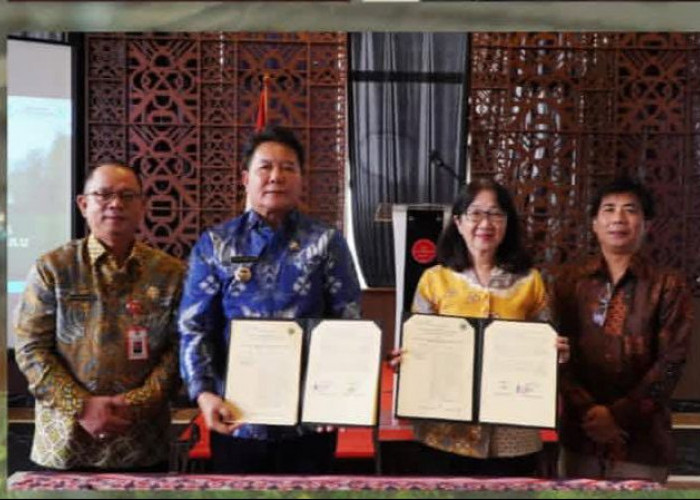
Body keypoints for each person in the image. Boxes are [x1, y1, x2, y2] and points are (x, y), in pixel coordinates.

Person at [179, 125, 362, 474]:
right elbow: (194, 327)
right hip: (236, 418)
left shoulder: (326, 242)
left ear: (301, 179)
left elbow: (348, 323)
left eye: (288, 168)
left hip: (309, 420)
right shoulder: (216, 244)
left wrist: (337, 396)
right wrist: (203, 393)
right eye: (265, 167)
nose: (276, 176)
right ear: (245, 178)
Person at [391, 179, 568, 477]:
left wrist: (555, 355)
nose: (485, 223)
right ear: (458, 222)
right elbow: (419, 349)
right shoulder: (434, 281)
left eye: (495, 214)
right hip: (445, 432)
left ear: (507, 223)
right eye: (475, 213)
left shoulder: (530, 282)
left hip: (513, 432)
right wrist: (408, 362)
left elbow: (544, 350)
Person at [14, 163, 185, 471]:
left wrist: (135, 403)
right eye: (104, 195)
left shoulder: (170, 273)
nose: (116, 204)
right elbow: (31, 348)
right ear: (83, 204)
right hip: (65, 444)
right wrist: (81, 406)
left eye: (127, 196)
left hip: (142, 444)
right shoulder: (53, 268)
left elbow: (179, 349)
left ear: (142, 205)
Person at [553, 177, 693, 482]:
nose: (618, 218)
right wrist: (588, 412)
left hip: (642, 442)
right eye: (609, 209)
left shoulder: (668, 285)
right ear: (594, 223)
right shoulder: (569, 282)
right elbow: (555, 353)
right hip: (581, 437)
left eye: (630, 210)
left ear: (647, 224)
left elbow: (672, 363)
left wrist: (616, 417)